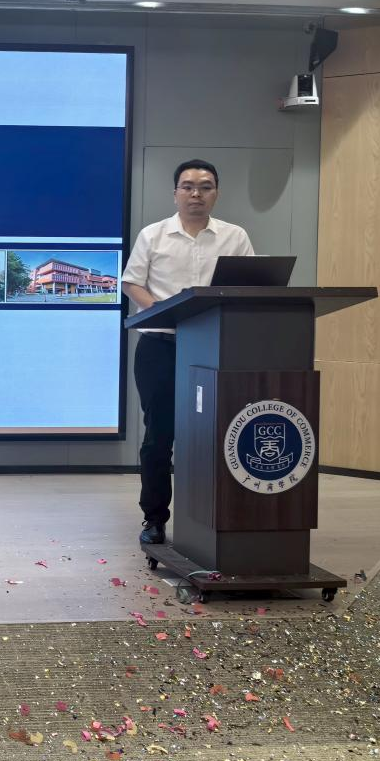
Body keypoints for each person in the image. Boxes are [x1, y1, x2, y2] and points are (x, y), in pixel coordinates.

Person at [121, 160, 254, 546]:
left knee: (219, 435)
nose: (196, 193)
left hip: (216, 348)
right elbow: (132, 282)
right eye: (188, 186)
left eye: (205, 187)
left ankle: (216, 517)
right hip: (160, 347)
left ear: (217, 193)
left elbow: (251, 285)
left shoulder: (235, 237)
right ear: (175, 193)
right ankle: (154, 518)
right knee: (158, 436)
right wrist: (166, 312)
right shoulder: (153, 235)